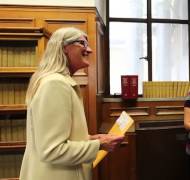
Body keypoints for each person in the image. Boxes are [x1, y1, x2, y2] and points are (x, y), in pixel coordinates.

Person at [19, 27, 125, 180]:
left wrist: (91, 139)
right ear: (64, 48)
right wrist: (99, 145)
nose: (89, 50)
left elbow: (58, 138)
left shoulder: (58, 82)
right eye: (82, 43)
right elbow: (52, 150)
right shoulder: (55, 84)